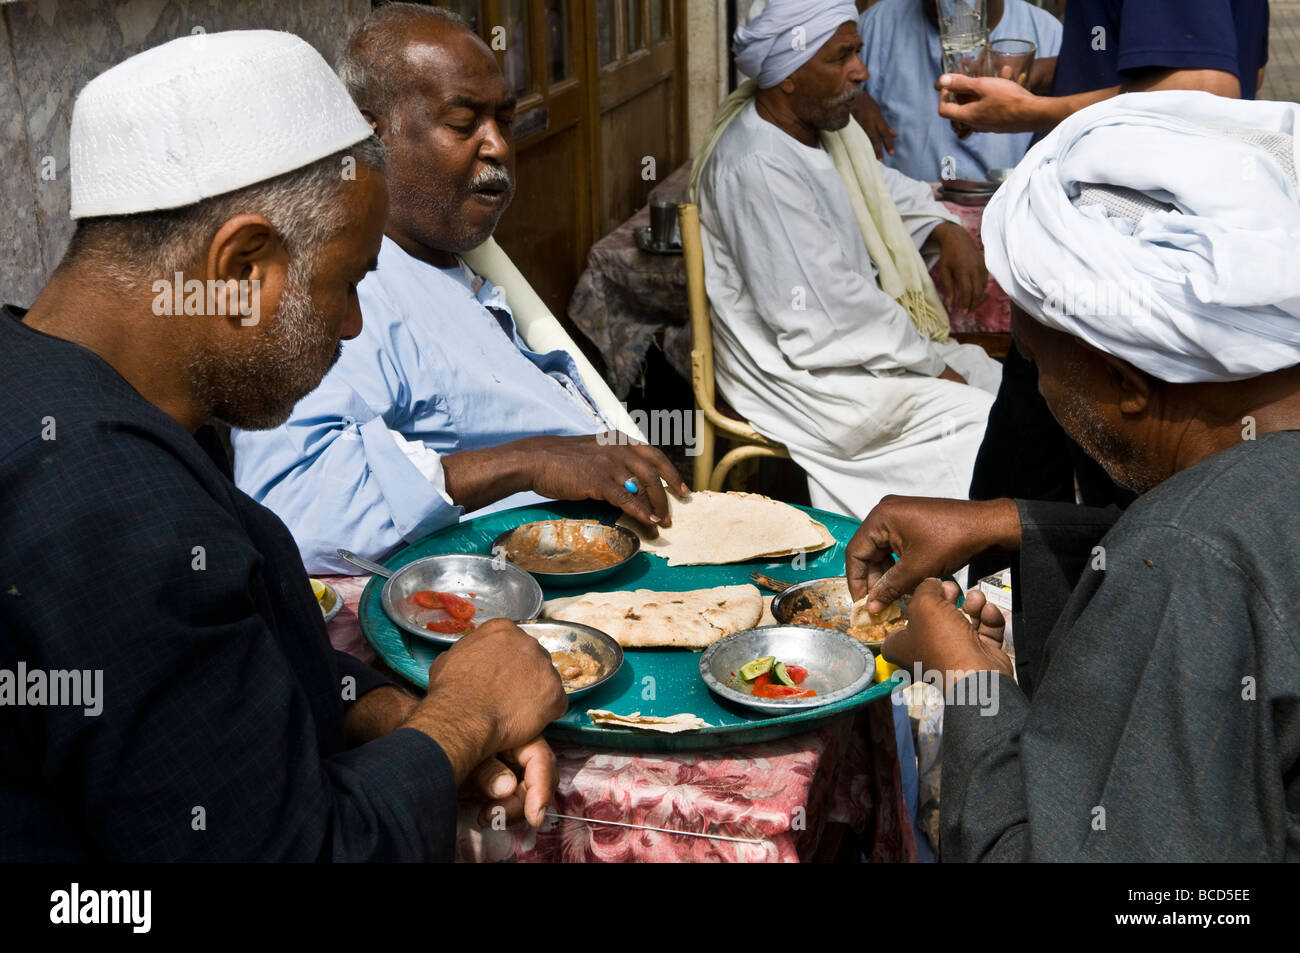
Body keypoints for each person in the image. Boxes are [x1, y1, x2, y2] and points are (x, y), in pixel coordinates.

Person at [0, 30, 567, 862]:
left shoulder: (76, 385)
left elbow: (204, 707)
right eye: (346, 284)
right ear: (239, 267)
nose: (352, 324)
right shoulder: (110, 506)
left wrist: (380, 714)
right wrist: (462, 717)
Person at [846, 91, 1300, 860]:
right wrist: (1015, 523)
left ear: (1127, 380)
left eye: (1032, 359)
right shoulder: (1228, 509)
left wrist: (968, 683)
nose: (1037, 387)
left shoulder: (1188, 559)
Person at [232, 3, 688, 576]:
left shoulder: (450, 252)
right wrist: (531, 461)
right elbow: (294, 512)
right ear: (372, 136)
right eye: (463, 123)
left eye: (504, 118)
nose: (497, 145)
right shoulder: (345, 296)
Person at [940, 0, 1271, 514]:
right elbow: (1243, 69)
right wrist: (1052, 77)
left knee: (1110, 511)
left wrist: (1030, 113)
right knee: (1026, 486)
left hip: (1119, 269)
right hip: (1136, 269)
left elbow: (1206, 88)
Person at [693, 0, 1002, 520]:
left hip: (852, 349)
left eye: (857, 51)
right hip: (806, 376)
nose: (861, 71)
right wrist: (931, 365)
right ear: (788, 75)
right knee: (987, 421)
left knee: (1007, 388)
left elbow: (885, 190)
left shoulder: (822, 131)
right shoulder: (760, 168)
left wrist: (943, 226)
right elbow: (824, 316)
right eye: (840, 57)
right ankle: (958, 571)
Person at [852, 0, 1063, 179]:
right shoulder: (875, 26)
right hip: (910, 216)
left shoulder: (1047, 33)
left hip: (1010, 214)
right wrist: (853, 99)